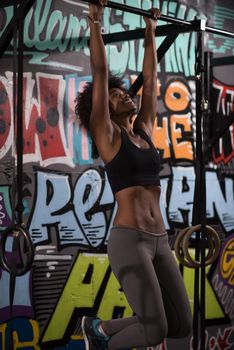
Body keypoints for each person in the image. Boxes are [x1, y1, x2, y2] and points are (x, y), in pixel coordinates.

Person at [75, 1, 192, 349]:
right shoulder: (109, 136)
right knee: (154, 331)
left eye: (123, 91)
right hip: (130, 241)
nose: (125, 94)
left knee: (181, 325)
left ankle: (101, 329)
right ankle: (102, 343)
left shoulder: (144, 130)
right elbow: (98, 74)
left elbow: (152, 79)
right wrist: (95, 22)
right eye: (116, 94)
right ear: (105, 109)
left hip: (160, 240)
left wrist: (150, 32)